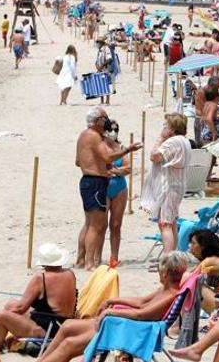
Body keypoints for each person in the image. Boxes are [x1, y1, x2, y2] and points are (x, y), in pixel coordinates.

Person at [37, 252, 189, 362]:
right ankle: (42, 360)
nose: (159, 274)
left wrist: (111, 311)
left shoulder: (169, 295)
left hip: (131, 330)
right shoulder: (164, 290)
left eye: (160, 271)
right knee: (68, 325)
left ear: (166, 273)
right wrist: (111, 300)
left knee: (69, 344)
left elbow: (141, 315)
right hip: (124, 324)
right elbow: (141, 302)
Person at [75, 107, 143, 270]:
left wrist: (100, 164)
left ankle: (81, 259)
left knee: (91, 222)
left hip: (91, 180)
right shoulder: (93, 136)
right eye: (105, 118)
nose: (107, 121)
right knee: (96, 225)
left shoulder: (85, 135)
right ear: (98, 120)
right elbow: (106, 156)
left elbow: (79, 160)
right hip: (96, 181)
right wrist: (128, 149)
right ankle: (90, 262)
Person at [0, 243, 76, 350]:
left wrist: (6, 318)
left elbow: (20, 308)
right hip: (62, 324)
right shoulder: (70, 274)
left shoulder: (41, 278)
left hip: (46, 330)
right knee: (10, 304)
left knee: (0, 315)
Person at [141, 113, 192, 253]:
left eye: (166, 125)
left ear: (172, 128)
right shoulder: (184, 141)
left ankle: (168, 258)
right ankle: (172, 255)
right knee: (172, 222)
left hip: (169, 187)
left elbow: (154, 156)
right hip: (177, 185)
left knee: (165, 224)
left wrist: (160, 138)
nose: (164, 127)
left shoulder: (173, 141)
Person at [184, 230, 219, 313]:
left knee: (190, 282)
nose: (190, 247)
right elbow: (194, 271)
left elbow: (189, 275)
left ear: (203, 246)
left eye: (193, 243)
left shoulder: (210, 261)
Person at [104, 120, 130, 264]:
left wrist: (114, 170)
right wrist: (118, 171)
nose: (114, 132)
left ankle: (114, 257)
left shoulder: (121, 148)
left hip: (119, 187)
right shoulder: (100, 147)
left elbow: (128, 168)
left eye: (116, 129)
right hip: (104, 186)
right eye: (111, 129)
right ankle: (96, 256)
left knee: (116, 224)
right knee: (101, 225)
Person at [194, 76, 219, 147]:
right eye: (217, 87)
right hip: (201, 119)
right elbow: (201, 110)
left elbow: (217, 101)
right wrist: (213, 132)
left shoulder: (214, 90)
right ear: (211, 85)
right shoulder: (200, 92)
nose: (218, 89)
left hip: (210, 119)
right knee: (200, 144)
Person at [95, 36, 113, 105]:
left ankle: (107, 101)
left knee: (107, 84)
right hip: (100, 70)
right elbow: (97, 60)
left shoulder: (106, 49)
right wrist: (97, 66)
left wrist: (102, 66)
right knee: (100, 85)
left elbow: (109, 59)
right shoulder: (99, 50)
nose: (97, 44)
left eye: (98, 42)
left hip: (106, 69)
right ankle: (102, 101)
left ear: (101, 43)